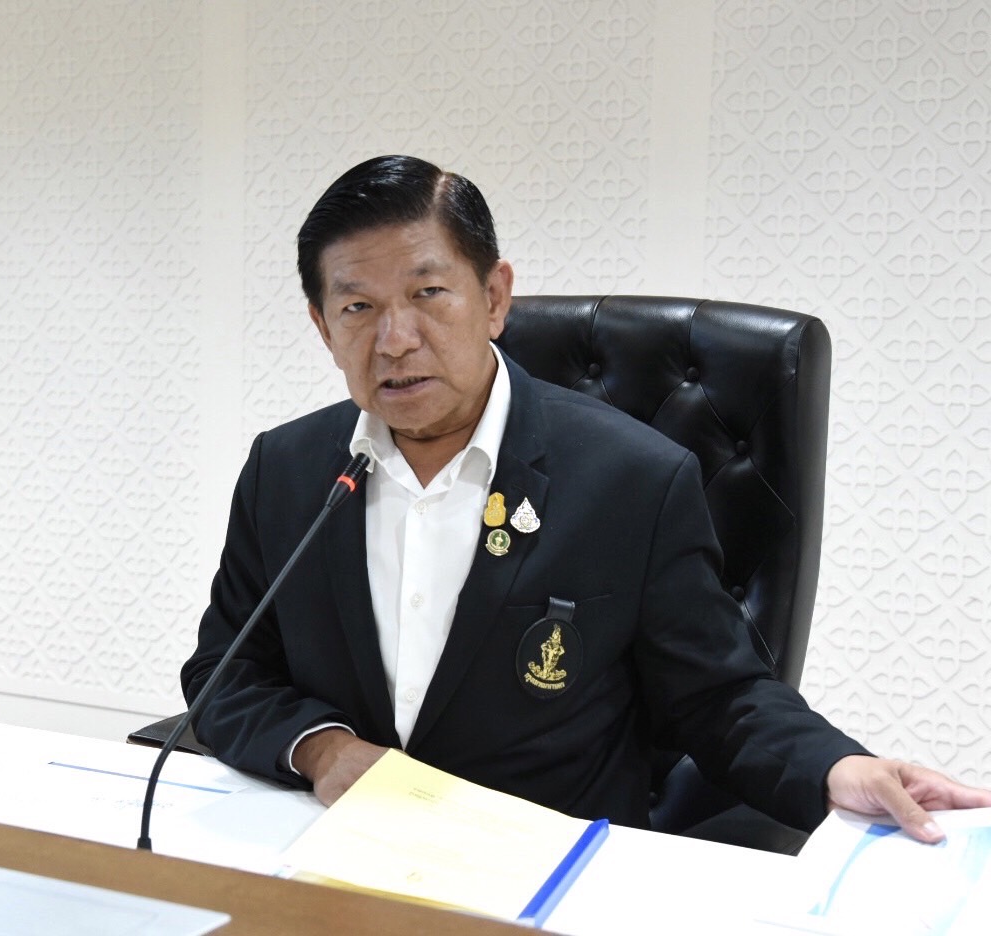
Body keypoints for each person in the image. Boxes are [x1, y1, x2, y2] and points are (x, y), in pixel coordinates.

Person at [182, 155, 991, 844]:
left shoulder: (632, 478)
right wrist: (321, 748)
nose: (395, 339)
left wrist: (837, 767)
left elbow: (720, 697)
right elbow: (226, 670)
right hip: (334, 857)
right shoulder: (288, 470)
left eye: (428, 293)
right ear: (323, 326)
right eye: (358, 307)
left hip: (547, 874)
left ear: (495, 297)